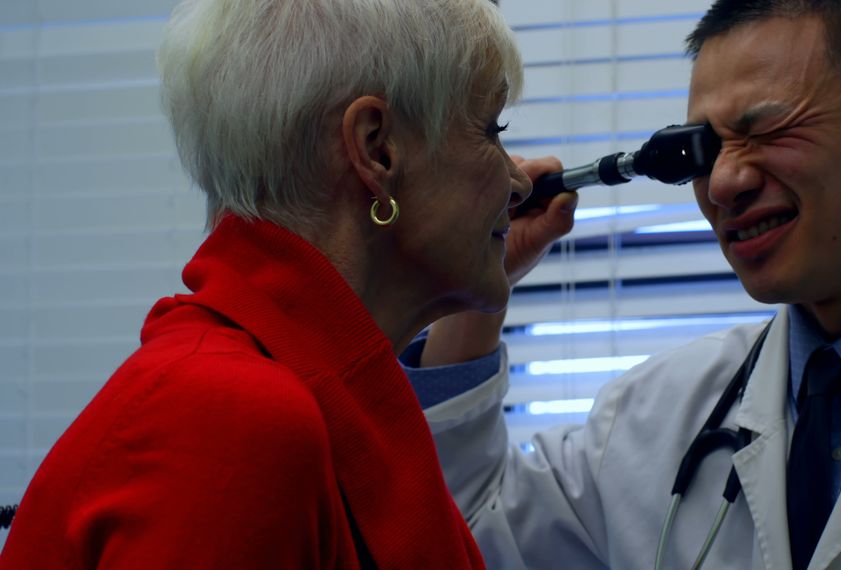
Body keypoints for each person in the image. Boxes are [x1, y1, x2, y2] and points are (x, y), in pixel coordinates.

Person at [406, 0, 841, 568]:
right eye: (705, 149)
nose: (725, 183)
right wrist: (477, 289)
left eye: (771, 130)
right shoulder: (655, 421)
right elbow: (461, 538)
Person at [0, 0, 576, 567]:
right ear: (377, 149)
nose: (516, 181)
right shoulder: (231, 421)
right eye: (489, 128)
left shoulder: (309, 401)